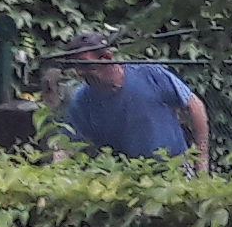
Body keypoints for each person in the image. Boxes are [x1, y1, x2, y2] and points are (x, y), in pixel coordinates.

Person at [50, 35, 212, 172]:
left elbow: (195, 106)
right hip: (128, 178)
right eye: (77, 66)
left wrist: (202, 158)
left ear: (107, 57)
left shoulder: (149, 74)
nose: (81, 72)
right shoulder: (82, 100)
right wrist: (54, 177)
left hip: (175, 169)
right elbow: (65, 145)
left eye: (86, 64)